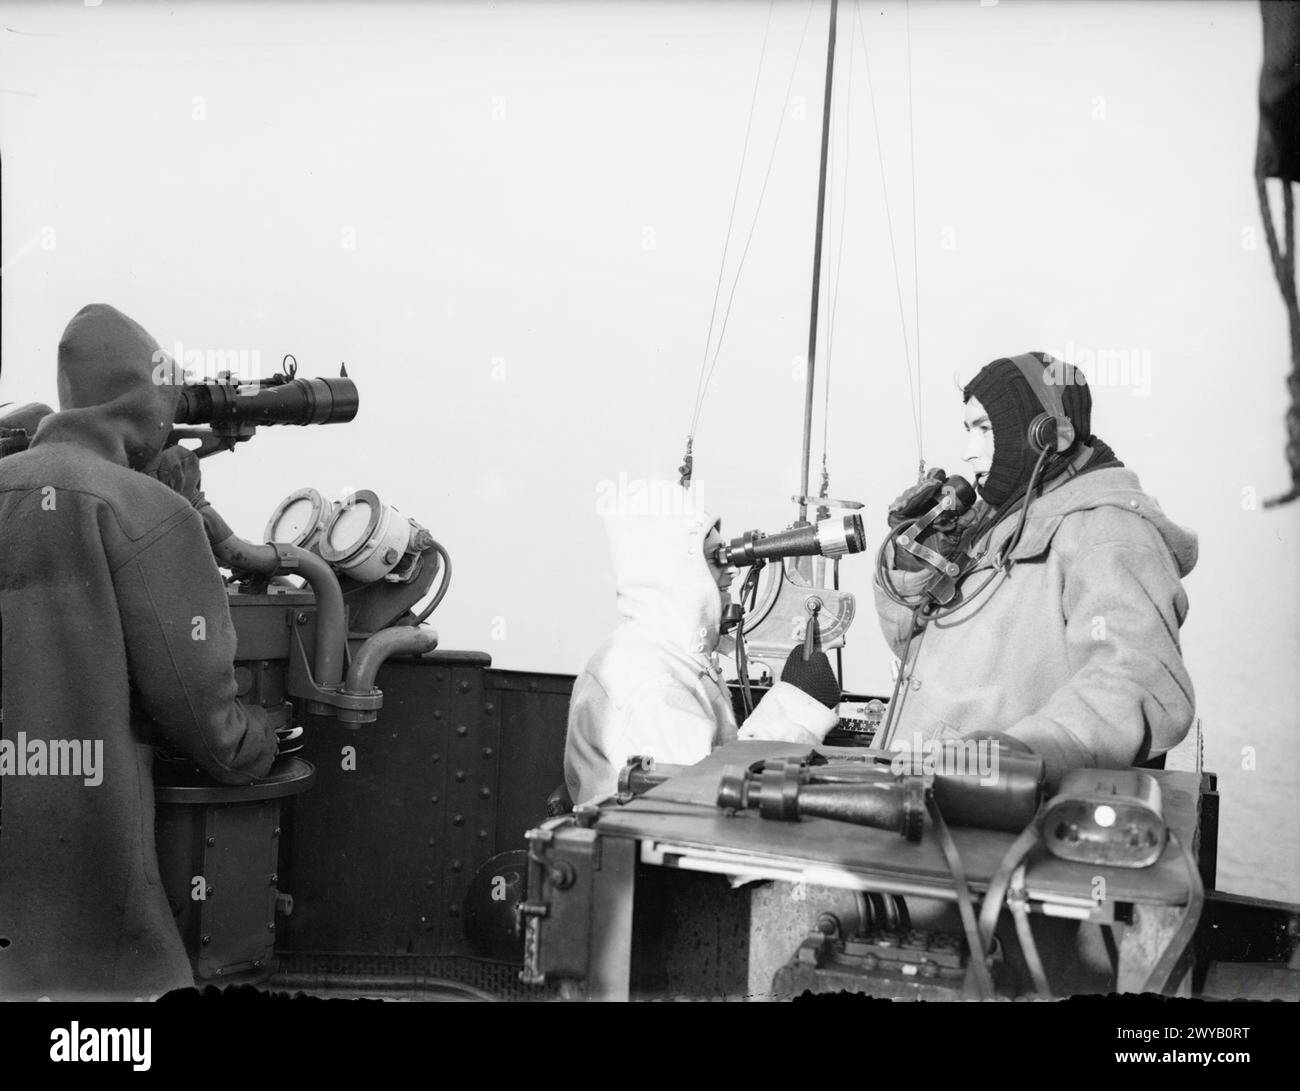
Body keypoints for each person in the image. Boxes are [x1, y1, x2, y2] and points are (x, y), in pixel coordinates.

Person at [0, 303, 279, 1001]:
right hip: (88, 905)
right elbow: (206, 721)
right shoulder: (146, 512)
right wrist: (265, 737)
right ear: (149, 399)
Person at [874, 352, 1197, 788]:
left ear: (1046, 435)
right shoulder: (1004, 519)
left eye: (985, 430)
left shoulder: (1109, 531)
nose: (969, 454)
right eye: (968, 431)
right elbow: (918, 658)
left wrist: (1020, 759)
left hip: (982, 807)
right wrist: (915, 563)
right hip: (913, 786)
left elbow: (1135, 679)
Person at [564, 500, 842, 806]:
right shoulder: (650, 684)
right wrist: (796, 707)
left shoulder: (668, 652)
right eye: (714, 559)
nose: (733, 569)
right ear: (675, 573)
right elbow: (712, 799)